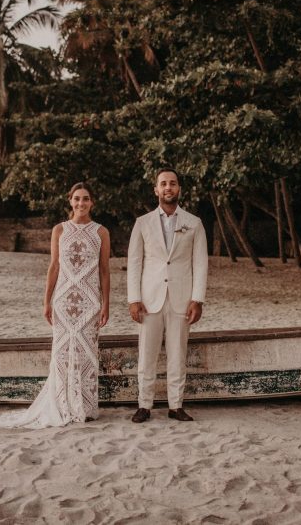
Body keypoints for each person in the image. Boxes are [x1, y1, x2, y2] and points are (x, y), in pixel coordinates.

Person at [0, 182, 110, 429]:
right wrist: (46, 301)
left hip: (89, 303)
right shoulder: (59, 230)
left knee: (87, 353)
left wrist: (106, 304)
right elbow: (54, 266)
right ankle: (61, 403)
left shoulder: (101, 232)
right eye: (77, 199)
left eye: (86, 199)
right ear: (70, 201)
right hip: (64, 301)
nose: (81, 203)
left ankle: (85, 408)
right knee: (62, 353)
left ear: (92, 202)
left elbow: (105, 270)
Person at [127, 168, 208, 423]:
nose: (168, 188)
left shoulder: (194, 223)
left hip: (181, 298)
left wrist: (197, 299)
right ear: (156, 189)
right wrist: (133, 298)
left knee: (177, 353)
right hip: (149, 298)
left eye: (172, 183)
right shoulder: (143, 222)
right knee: (147, 353)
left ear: (179, 189)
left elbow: (201, 263)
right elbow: (135, 262)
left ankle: (176, 405)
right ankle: (144, 405)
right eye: (163, 184)